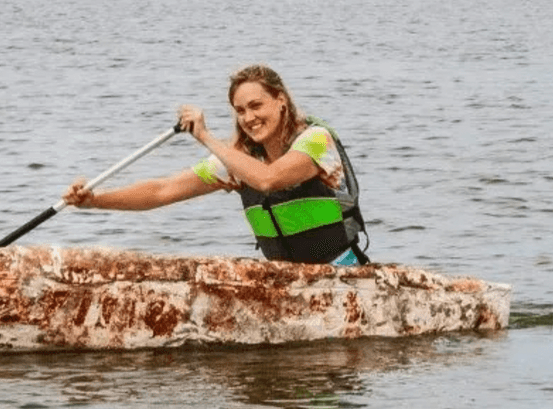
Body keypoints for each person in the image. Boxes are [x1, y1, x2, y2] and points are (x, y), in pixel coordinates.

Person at [63, 65, 369, 266]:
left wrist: (205, 137)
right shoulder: (239, 161)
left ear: (281, 101)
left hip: (341, 274)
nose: (248, 118)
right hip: (285, 282)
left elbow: (268, 180)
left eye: (256, 105)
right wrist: (94, 200)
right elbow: (162, 191)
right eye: (239, 110)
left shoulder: (316, 140)